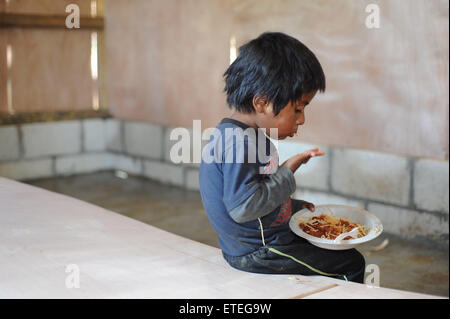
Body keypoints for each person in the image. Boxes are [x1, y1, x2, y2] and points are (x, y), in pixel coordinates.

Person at [199, 32, 365, 283]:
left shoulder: (245, 135)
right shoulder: (238, 143)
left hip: (263, 239)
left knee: (329, 242)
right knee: (350, 263)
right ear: (262, 103)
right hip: (257, 252)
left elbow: (257, 191)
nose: (302, 119)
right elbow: (243, 208)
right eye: (298, 109)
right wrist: (287, 171)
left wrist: (292, 208)